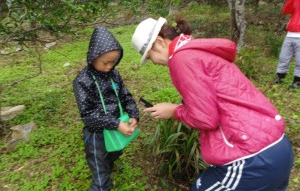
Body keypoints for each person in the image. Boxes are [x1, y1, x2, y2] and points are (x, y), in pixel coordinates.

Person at [131, 17, 294, 190]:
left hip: (251, 158)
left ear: (160, 42)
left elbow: (205, 119)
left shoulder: (181, 58)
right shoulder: (197, 50)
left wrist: (174, 111)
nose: (154, 62)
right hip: (277, 145)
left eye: (150, 56)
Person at [73, 26, 139, 191]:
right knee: (101, 176)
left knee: (114, 153)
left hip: (117, 127)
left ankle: (110, 164)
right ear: (92, 56)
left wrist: (133, 114)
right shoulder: (83, 81)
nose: (109, 66)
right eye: (105, 62)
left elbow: (125, 96)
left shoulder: (114, 75)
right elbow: (88, 114)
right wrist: (116, 124)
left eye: (113, 62)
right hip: (97, 135)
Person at [274, 0, 300, 89]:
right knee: (283, 57)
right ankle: (280, 76)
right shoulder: (294, 0)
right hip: (290, 34)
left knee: (299, 60)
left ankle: (297, 81)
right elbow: (285, 11)